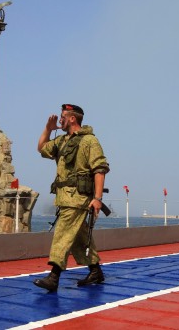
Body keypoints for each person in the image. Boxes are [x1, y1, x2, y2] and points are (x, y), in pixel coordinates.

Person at [34, 104, 110, 292]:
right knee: (77, 237)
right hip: (64, 197)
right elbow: (42, 148)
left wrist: (98, 198)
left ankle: (54, 276)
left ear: (72, 119)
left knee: (62, 234)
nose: (59, 120)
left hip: (78, 198)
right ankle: (95, 271)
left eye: (62, 117)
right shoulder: (61, 141)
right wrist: (48, 129)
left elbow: (100, 170)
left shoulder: (89, 141)